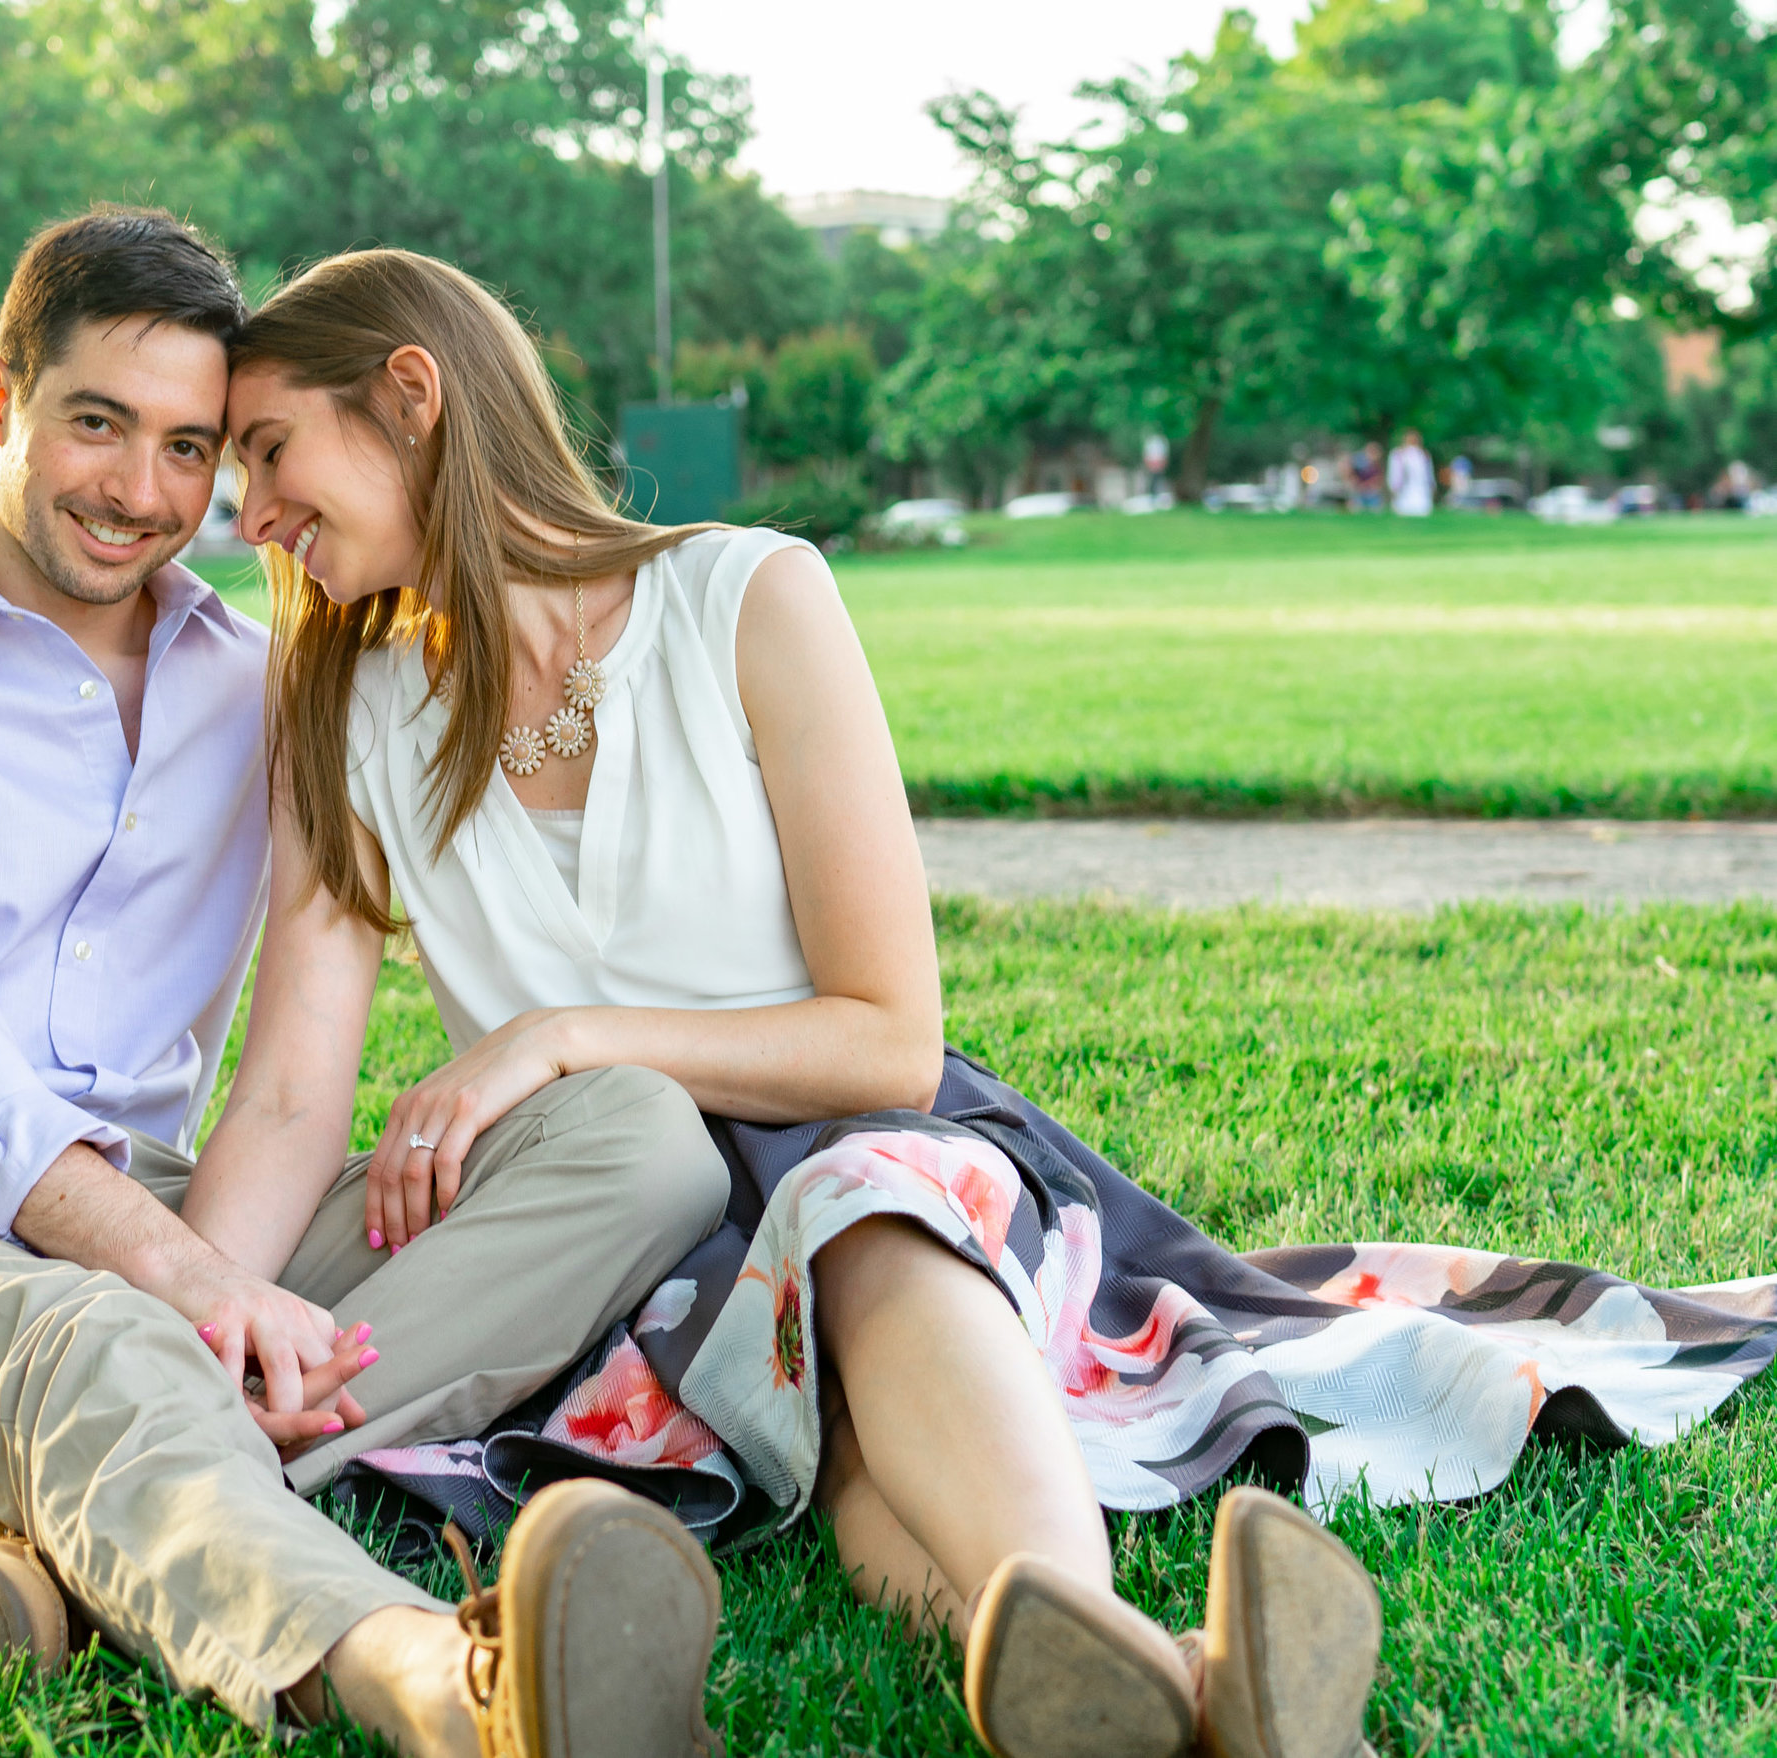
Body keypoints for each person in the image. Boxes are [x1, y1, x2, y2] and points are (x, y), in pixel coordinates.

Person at [197, 248, 1777, 1758]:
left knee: (860, 1218)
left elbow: (886, 1036)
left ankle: (1090, 1642)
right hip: (632, 1244)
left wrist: (558, 1036)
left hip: (879, 1162)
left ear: (412, 394)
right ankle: (1171, 1684)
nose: (249, 508)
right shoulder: (344, 701)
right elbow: (285, 1094)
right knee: (838, 1449)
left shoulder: (748, 599)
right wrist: (191, 1320)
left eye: (271, 449)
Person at [0, 205, 730, 1758]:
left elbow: (301, 1067)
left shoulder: (265, 683)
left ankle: (57, 1526)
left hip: (164, 1203)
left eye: (190, 447)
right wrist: (196, 1291)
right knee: (99, 1336)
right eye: (97, 423)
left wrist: (202, 1270)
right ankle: (441, 1683)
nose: (142, 493)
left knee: (637, 1138)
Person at [1389, 428, 1435, 517]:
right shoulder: (1398, 453)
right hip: (1404, 488)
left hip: (1420, 488)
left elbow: (1428, 473)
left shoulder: (1423, 454)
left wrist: (1431, 485)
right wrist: (1394, 487)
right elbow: (1395, 472)